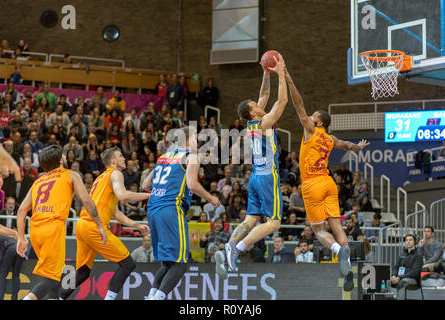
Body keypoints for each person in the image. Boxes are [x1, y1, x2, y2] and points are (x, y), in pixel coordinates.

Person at [284, 66, 370, 291]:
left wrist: (289, 80)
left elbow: (298, 105)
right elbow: (347, 145)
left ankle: (338, 251)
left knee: (319, 230)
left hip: (312, 184)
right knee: (336, 225)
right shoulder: (330, 138)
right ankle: (348, 266)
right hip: (329, 183)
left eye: (314, 117)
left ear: (319, 123)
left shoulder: (310, 131)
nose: (310, 117)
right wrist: (358, 148)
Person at [216, 54, 288, 277]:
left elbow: (264, 94)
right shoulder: (265, 122)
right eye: (254, 105)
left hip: (255, 177)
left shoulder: (251, 124)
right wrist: (281, 73)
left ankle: (230, 244)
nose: (258, 104)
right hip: (267, 177)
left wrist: (266, 73)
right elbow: (282, 102)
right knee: (274, 223)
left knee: (250, 219)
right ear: (252, 112)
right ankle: (238, 249)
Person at [16, 145, 107, 300]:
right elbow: (87, 201)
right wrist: (99, 225)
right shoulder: (71, 175)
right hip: (53, 228)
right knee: (55, 280)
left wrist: (21, 238)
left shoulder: (38, 181)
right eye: (64, 156)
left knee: (60, 275)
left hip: (36, 231)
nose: (65, 157)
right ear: (60, 160)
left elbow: (21, 211)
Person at [59, 147, 150, 300]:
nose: (124, 158)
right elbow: (123, 196)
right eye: (120, 156)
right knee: (128, 264)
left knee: (83, 272)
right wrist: (150, 195)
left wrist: (136, 225)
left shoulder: (102, 178)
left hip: (82, 225)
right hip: (95, 227)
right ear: (113, 161)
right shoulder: (116, 174)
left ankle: (58, 297)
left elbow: (115, 212)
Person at [142, 126, 220, 300]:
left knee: (168, 262)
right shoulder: (191, 157)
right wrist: (210, 198)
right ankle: (158, 298)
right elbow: (192, 185)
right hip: (170, 209)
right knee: (180, 263)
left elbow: (145, 185)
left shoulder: (164, 157)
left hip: (153, 209)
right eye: (195, 138)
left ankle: (152, 296)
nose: (197, 142)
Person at [390, 234, 423, 300]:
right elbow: (396, 266)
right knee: (387, 281)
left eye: (410, 240)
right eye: (407, 240)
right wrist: (393, 275)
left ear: (415, 242)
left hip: (413, 279)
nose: (408, 242)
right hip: (400, 277)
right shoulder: (403, 253)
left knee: (402, 282)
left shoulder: (418, 255)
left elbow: (414, 272)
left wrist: (400, 277)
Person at [0, 234, 24, 300]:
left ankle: (0, 298)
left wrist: (0, 262)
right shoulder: (2, 236)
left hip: (11, 248)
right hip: (20, 248)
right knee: (16, 275)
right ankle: (14, 298)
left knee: (3, 274)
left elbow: (1, 250)